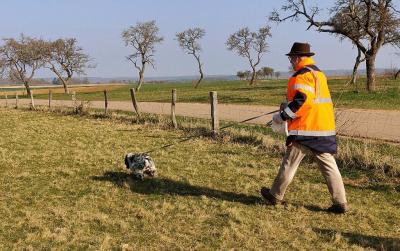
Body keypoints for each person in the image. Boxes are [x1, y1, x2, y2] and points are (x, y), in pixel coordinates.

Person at [261, 42, 348, 214]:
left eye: (292, 57)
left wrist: (282, 116)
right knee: (330, 166)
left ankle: (275, 195)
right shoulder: (319, 74)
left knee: (289, 163)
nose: (291, 61)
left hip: (306, 129)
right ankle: (340, 203)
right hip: (323, 128)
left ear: (298, 57)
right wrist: (289, 107)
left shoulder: (301, 76)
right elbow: (312, 101)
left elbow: (302, 102)